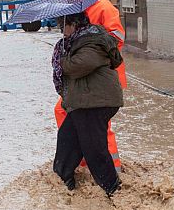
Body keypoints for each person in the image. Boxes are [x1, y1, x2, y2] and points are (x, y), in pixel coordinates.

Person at [56, 0, 126, 172]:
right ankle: (82, 160)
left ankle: (111, 166)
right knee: (65, 111)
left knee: (98, 123)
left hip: (102, 76)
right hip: (82, 75)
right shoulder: (74, 11)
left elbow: (117, 37)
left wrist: (92, 46)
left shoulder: (103, 7)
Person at [52, 12, 124, 197]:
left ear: (74, 24)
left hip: (95, 102)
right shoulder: (78, 41)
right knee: (68, 140)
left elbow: (79, 66)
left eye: (63, 26)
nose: (62, 31)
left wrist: (62, 59)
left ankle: (114, 190)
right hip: (83, 102)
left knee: (94, 149)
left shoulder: (91, 40)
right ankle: (62, 181)